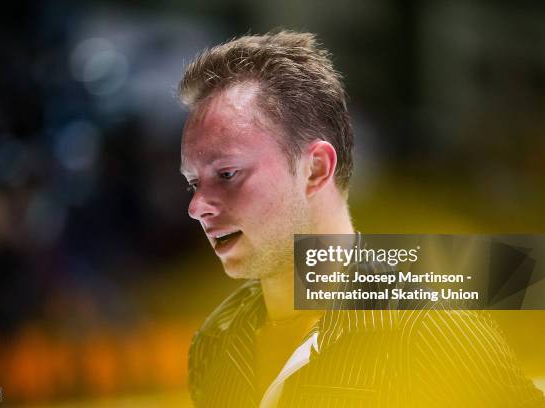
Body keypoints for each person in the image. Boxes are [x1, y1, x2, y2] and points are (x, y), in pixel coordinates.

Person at [178, 30, 545, 407]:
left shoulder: (429, 330)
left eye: (227, 174)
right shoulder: (214, 340)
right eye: (193, 182)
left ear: (315, 169)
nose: (197, 206)